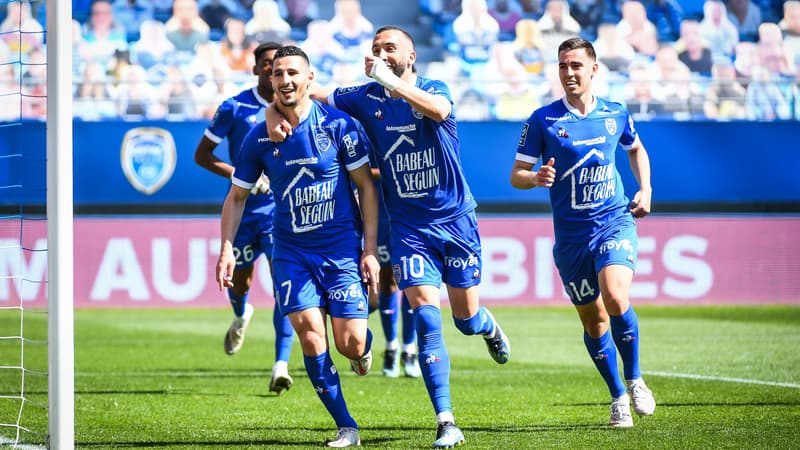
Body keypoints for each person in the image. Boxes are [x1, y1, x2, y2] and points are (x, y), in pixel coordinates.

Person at [267, 25, 511, 448]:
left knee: (465, 319)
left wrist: (392, 83)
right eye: (376, 48)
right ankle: (446, 420)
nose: (381, 53)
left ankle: (486, 326)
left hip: (455, 221)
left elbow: (438, 110)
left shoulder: (432, 88)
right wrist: (273, 111)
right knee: (426, 313)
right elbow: (306, 93)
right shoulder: (363, 97)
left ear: (410, 56)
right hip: (410, 229)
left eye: (390, 47)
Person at [216, 44, 380, 448]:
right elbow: (236, 198)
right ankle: (347, 427)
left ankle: (362, 350)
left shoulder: (339, 126)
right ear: (269, 80)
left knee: (351, 343)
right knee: (310, 337)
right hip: (291, 252)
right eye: (278, 74)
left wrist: (370, 248)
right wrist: (225, 249)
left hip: (341, 250)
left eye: (293, 73)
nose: (285, 80)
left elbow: (366, 188)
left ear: (310, 79)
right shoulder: (257, 137)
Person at [509, 37, 656, 428]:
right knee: (594, 323)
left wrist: (646, 189)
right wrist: (536, 177)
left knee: (615, 295)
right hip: (572, 238)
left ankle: (636, 377)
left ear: (593, 69)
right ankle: (617, 397)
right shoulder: (543, 120)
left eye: (576, 65)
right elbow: (516, 176)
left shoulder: (615, 114)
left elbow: (636, 149)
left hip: (613, 220)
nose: (569, 73)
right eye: (562, 66)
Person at [195, 42, 296, 395]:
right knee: (240, 282)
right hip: (240, 211)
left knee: (286, 286)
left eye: (280, 65)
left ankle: (280, 364)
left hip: (278, 214)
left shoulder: (297, 108)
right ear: (256, 70)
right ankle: (241, 313)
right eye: (268, 65)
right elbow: (202, 155)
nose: (274, 71)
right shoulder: (235, 107)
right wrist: (240, 174)